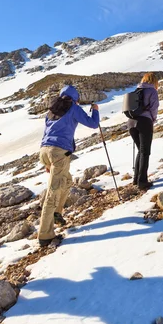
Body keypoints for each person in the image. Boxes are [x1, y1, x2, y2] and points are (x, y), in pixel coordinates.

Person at [39, 85, 99, 247]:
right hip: (59, 152)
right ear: (75, 98)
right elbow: (93, 124)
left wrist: (46, 161)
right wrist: (95, 110)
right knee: (53, 191)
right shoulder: (73, 107)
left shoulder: (52, 110)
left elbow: (46, 132)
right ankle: (45, 235)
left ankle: (57, 212)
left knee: (66, 181)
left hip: (45, 150)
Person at [128, 73, 159, 190]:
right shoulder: (152, 91)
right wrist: (152, 120)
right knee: (145, 152)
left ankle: (136, 179)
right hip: (144, 122)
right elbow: (154, 108)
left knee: (140, 150)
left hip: (130, 122)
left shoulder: (136, 90)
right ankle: (142, 181)